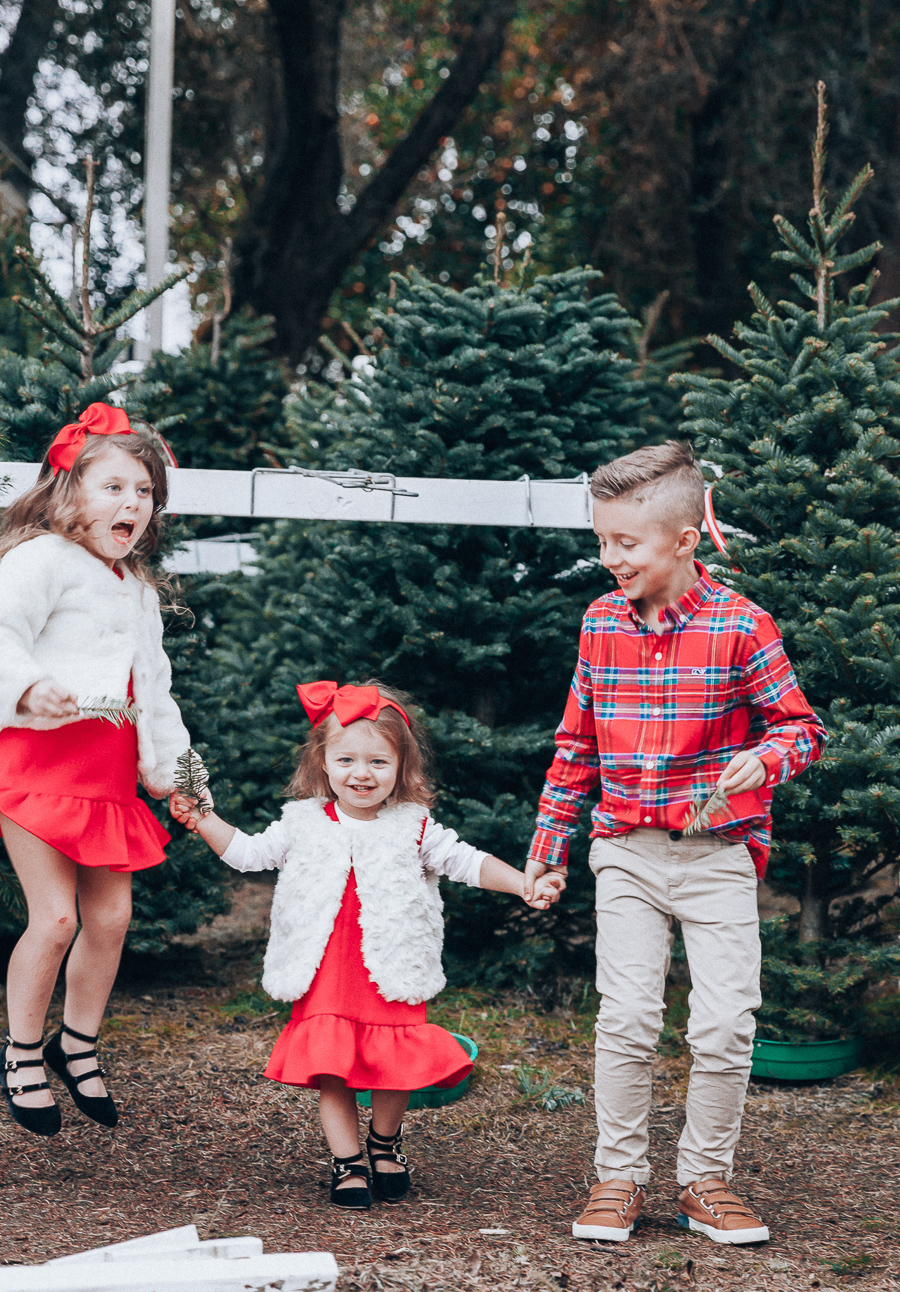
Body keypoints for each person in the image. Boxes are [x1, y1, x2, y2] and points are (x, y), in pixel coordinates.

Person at [525, 442, 826, 1245]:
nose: (608, 558)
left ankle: (705, 1182)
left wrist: (764, 757)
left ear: (686, 539)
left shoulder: (741, 625)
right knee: (625, 1018)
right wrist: (549, 845)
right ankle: (618, 1178)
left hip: (718, 859)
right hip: (625, 851)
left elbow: (802, 730)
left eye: (626, 543)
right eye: (602, 540)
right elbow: (575, 746)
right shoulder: (599, 625)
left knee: (726, 1023)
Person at [172, 679, 565, 1210]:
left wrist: (523, 882)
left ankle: (384, 1143)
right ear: (324, 762)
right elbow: (247, 854)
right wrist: (202, 818)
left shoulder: (415, 826)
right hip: (327, 970)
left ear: (402, 767)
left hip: (390, 964)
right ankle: (348, 1160)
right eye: (348, 760)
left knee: (392, 1060)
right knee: (332, 1066)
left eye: (379, 762)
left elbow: (468, 862)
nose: (362, 773)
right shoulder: (302, 822)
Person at [0, 403, 191, 1136]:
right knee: (57, 917)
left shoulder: (138, 590)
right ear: (69, 490)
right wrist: (25, 685)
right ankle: (19, 1052)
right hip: (40, 766)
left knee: (111, 917)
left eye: (143, 493)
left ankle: (76, 1045)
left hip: (108, 780)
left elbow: (155, 691)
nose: (131, 504)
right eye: (113, 488)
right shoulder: (39, 559)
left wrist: (176, 774)